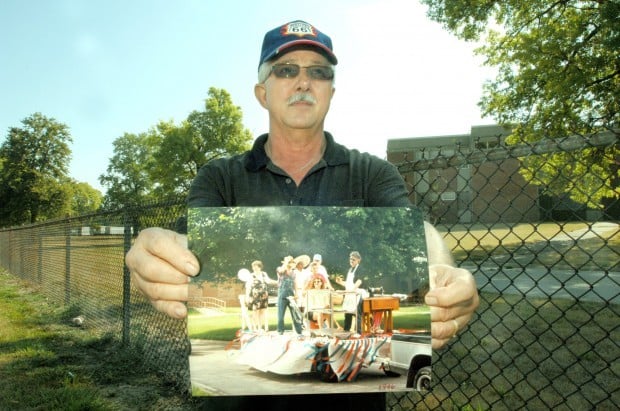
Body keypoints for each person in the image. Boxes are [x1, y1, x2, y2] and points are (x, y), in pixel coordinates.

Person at [126, 19, 479, 409]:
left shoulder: (372, 173)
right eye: (286, 70)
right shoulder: (219, 177)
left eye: (318, 72)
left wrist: (446, 270)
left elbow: (418, 229)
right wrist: (156, 254)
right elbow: (185, 243)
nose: (303, 81)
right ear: (262, 93)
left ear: (330, 91)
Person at [335, 251, 365, 334]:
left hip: (357, 294)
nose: (351, 261)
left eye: (354, 259)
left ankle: (359, 333)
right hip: (349, 294)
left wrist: (350, 291)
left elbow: (359, 282)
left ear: (358, 260)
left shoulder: (360, 269)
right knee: (347, 313)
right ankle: (346, 331)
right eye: (351, 259)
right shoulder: (350, 270)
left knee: (357, 313)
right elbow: (348, 283)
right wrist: (340, 282)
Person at [275, 256, 303, 335]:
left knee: (295, 314)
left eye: (291, 262)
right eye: (289, 262)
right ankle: (280, 330)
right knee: (280, 315)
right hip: (282, 294)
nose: (290, 263)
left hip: (291, 294)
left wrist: (297, 293)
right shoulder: (280, 269)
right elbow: (281, 271)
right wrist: (286, 262)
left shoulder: (294, 272)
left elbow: (295, 283)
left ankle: (299, 331)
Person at [245, 260, 275, 332]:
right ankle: (255, 328)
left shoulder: (264, 274)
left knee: (262, 311)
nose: (254, 268)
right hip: (255, 296)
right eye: (253, 267)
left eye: (256, 267)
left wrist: (277, 281)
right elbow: (248, 287)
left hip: (264, 295)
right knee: (255, 311)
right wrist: (247, 297)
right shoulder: (251, 276)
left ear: (260, 267)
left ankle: (260, 327)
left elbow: (268, 281)